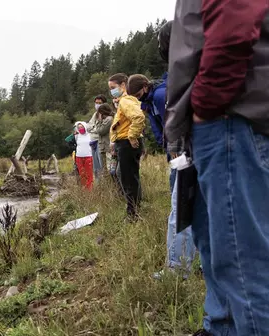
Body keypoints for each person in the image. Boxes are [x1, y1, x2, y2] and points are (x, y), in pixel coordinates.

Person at [166, 1, 269, 335]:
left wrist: (207, 106)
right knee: (219, 252)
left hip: (229, 117)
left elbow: (235, 21)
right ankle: (220, 327)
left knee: (244, 264)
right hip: (222, 121)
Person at [150, 20, 196, 281]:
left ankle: (178, 270)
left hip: (192, 153)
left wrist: (178, 155)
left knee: (181, 212)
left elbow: (180, 121)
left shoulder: (184, 77)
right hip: (195, 152)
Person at [108, 73, 146, 220]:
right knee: (128, 177)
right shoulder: (123, 101)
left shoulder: (126, 101)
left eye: (113, 87)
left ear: (123, 85)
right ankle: (134, 209)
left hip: (126, 144)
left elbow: (138, 117)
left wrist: (132, 136)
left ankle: (132, 213)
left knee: (128, 179)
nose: (112, 91)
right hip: (123, 144)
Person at [90, 102, 114, 175]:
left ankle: (111, 184)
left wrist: (99, 121)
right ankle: (106, 184)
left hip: (107, 147)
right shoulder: (106, 119)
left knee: (109, 168)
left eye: (100, 113)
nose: (100, 115)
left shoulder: (109, 119)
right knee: (104, 169)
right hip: (103, 147)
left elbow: (100, 131)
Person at [87, 95, 107, 178]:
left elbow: (100, 130)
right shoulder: (95, 114)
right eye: (96, 103)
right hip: (93, 142)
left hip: (101, 143)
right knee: (95, 167)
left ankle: (106, 184)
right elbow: (88, 127)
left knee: (103, 166)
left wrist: (93, 128)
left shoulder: (106, 115)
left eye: (100, 103)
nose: (97, 105)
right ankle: (99, 185)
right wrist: (94, 128)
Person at [74, 121, 94, 190]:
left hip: (88, 155)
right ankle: (84, 188)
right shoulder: (76, 135)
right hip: (79, 156)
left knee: (89, 173)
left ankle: (90, 189)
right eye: (79, 128)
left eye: (82, 127)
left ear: (85, 127)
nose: (80, 129)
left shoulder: (90, 135)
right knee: (82, 174)